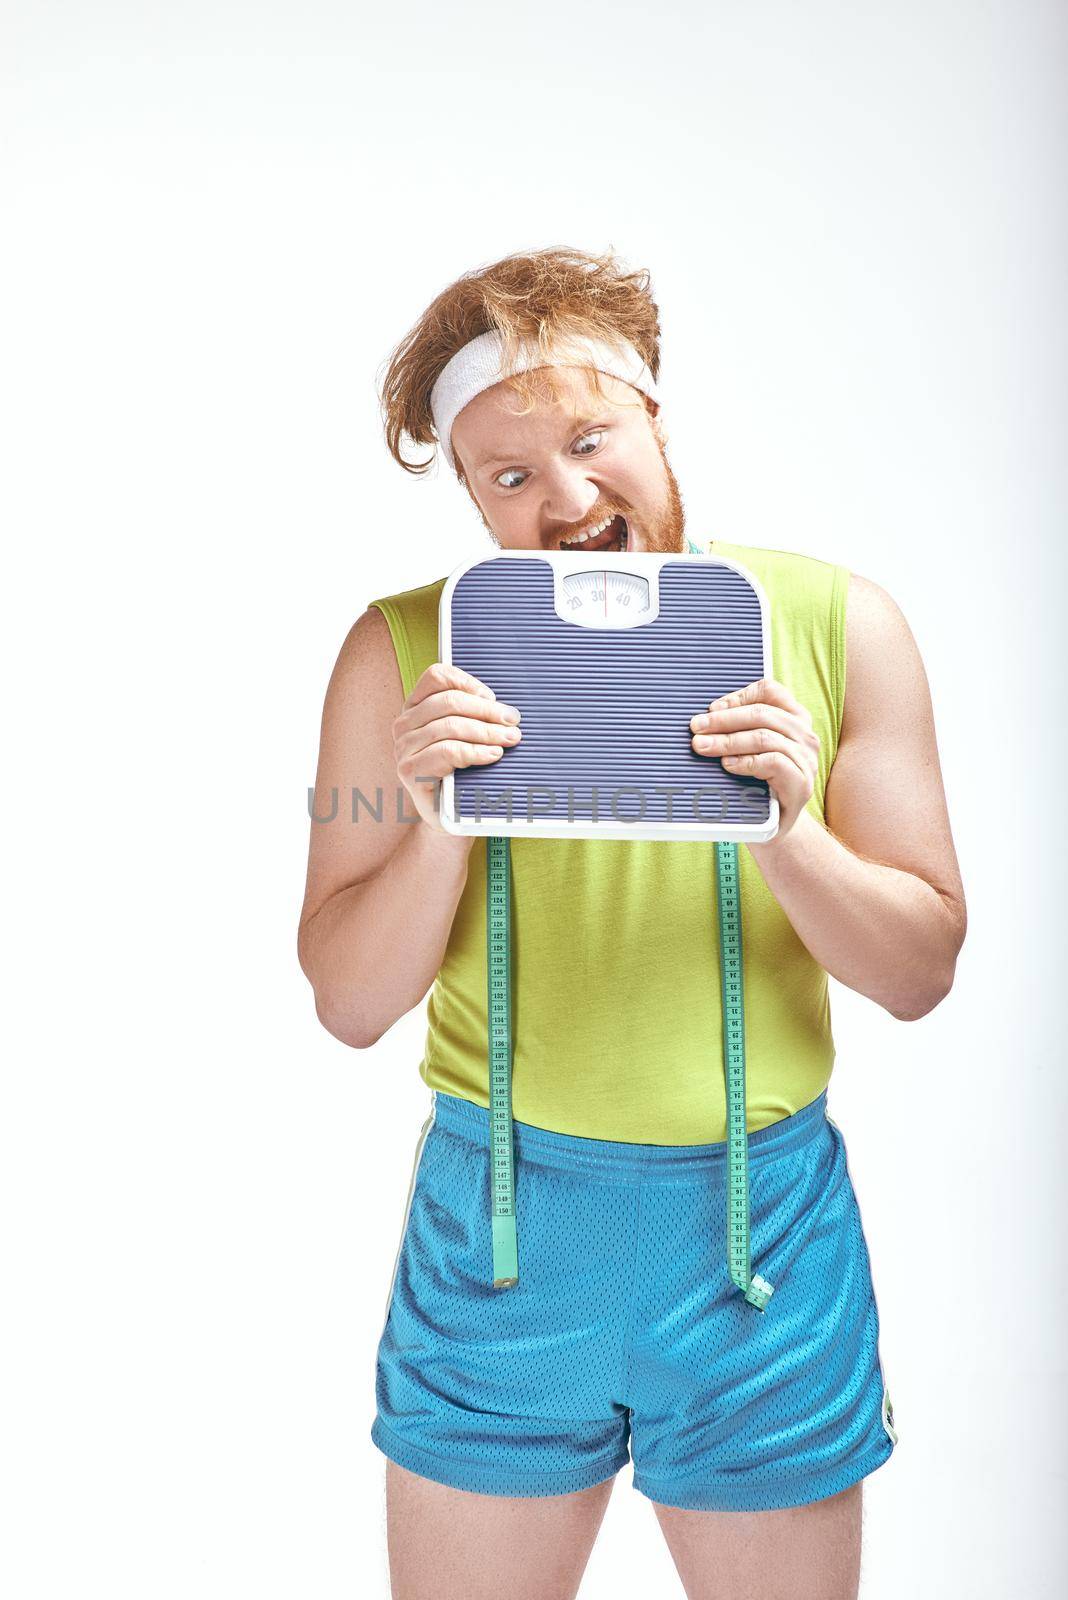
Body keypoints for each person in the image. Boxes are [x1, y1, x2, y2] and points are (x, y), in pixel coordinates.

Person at [297, 246, 967, 1600]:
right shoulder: (398, 654)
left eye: (592, 440)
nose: (569, 496)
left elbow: (921, 971)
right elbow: (351, 1003)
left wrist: (791, 828)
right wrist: (438, 817)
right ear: (471, 493)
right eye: (510, 474)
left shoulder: (844, 628)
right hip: (499, 1240)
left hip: (758, 1246)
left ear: (656, 419)